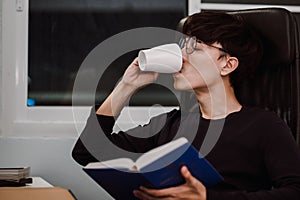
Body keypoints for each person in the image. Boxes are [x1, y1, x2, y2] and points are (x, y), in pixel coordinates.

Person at [72, 11, 300, 199]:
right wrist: (126, 86)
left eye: (195, 48)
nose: (181, 56)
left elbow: (295, 191)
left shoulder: (263, 125)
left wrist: (207, 198)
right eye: (183, 45)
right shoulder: (170, 123)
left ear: (227, 65)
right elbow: (86, 153)